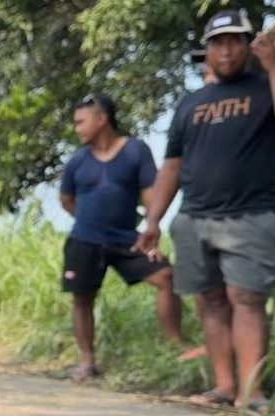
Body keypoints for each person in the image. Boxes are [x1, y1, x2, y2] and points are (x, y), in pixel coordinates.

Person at [136, 9, 275, 412]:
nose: (227, 49)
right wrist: (153, 220)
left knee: (246, 298)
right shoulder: (190, 104)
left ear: (248, 47)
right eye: (218, 42)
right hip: (195, 217)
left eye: (235, 40)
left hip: (251, 215)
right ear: (208, 50)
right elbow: (172, 167)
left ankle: (252, 393)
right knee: (211, 300)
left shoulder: (267, 87)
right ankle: (223, 386)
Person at [59, 93, 185, 381]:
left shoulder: (135, 151)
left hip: (128, 239)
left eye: (81, 122)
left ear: (102, 119)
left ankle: (176, 347)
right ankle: (87, 361)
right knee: (82, 298)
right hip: (84, 240)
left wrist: (153, 224)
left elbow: (151, 193)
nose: (77, 128)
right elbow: (66, 199)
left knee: (166, 276)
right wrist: (89, 221)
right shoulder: (77, 161)